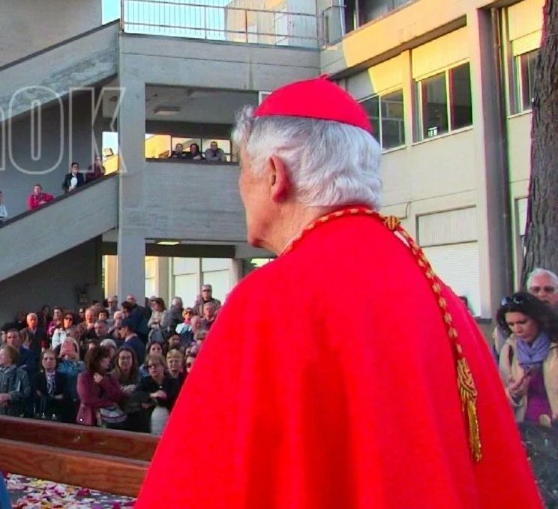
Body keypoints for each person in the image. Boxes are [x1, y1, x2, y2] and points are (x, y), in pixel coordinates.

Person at [136, 76, 538, 507]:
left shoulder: (271, 300)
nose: (239, 189)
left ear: (275, 174)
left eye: (242, 171)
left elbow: (198, 484)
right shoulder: (436, 293)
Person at [496, 293, 558, 425]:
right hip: (525, 427)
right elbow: (499, 399)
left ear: (538, 319)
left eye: (522, 322)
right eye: (511, 324)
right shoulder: (509, 350)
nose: (517, 329)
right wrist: (513, 394)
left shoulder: (554, 345)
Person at [76, 344, 126, 428]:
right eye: (105, 358)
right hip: (88, 420)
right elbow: (87, 398)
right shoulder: (84, 377)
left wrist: (104, 383)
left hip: (109, 421)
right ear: (96, 360)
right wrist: (109, 403)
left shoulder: (109, 377)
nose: (108, 360)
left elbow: (118, 396)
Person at [0, 345, 29, 417]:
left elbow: (25, 392)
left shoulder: (21, 373)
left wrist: (9, 396)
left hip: (14, 414)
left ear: (11, 358)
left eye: (2, 355)